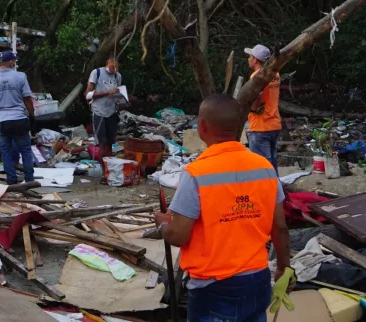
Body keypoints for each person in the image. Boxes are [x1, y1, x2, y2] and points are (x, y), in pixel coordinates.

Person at [154, 94, 292, 322]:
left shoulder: (197, 173)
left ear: (202, 127)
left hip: (214, 287)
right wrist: (284, 268)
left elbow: (178, 236)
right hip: (257, 281)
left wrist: (163, 225)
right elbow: (280, 227)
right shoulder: (265, 168)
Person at [0, 51, 35, 185]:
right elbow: (27, 99)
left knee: (5, 152)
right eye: (15, 61)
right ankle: (29, 179)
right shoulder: (20, 76)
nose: (15, 63)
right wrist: (32, 115)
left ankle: (11, 179)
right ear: (11, 62)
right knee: (25, 150)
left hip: (1, 120)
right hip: (19, 118)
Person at [245, 44, 282, 173]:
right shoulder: (276, 74)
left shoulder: (256, 76)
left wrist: (251, 108)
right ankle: (277, 191)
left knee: (262, 167)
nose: (248, 59)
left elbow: (256, 101)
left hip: (260, 126)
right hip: (274, 123)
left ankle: (267, 192)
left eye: (250, 56)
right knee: (272, 164)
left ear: (255, 59)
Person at [85, 57, 123, 160]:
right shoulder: (96, 73)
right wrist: (108, 92)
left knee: (110, 143)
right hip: (99, 112)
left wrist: (122, 99)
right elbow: (88, 95)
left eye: (116, 67)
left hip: (111, 112)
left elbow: (117, 93)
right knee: (102, 143)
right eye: (112, 67)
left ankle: (109, 168)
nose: (114, 69)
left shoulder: (117, 76)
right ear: (107, 63)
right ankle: (103, 170)